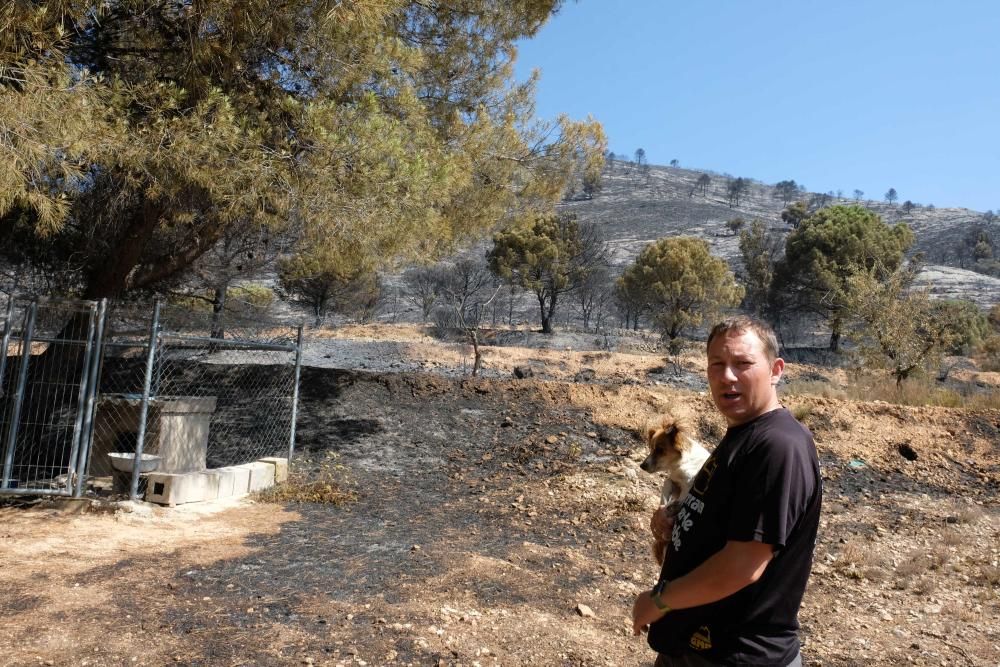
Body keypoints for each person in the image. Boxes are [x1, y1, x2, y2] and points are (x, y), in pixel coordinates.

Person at [632, 316, 822, 666]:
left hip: (736, 654)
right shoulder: (745, 434)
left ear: (776, 370)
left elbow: (742, 565)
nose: (727, 376)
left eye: (743, 363)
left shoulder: (778, 446)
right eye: (716, 364)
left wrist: (659, 600)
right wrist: (677, 520)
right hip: (698, 643)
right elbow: (725, 518)